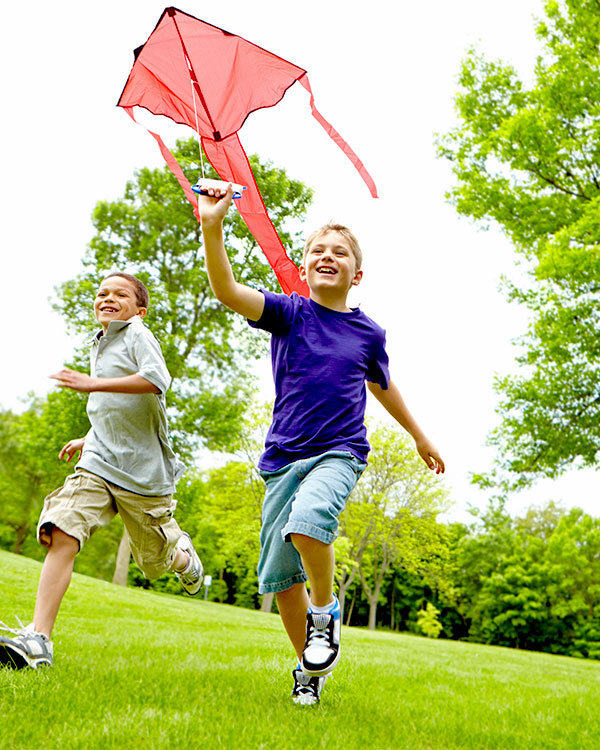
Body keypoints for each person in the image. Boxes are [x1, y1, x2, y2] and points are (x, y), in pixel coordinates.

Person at [197, 184, 445, 705]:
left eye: (340, 253)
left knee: (309, 521)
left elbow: (382, 385)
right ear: (304, 267)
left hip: (340, 451)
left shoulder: (368, 334)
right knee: (280, 577)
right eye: (317, 251)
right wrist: (213, 224)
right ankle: (307, 672)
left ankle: (324, 612)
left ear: (357, 275)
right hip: (283, 456)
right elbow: (226, 290)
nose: (327, 257)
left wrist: (419, 435)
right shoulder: (288, 313)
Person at [0, 272, 203, 670]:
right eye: (102, 293)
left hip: (143, 476)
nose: (108, 298)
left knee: (155, 563)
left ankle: (183, 556)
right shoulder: (101, 342)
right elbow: (114, 406)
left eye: (120, 294)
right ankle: (39, 640)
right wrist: (88, 437)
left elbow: (157, 380)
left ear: (138, 309)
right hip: (98, 461)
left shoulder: (137, 334)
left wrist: (91, 384)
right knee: (61, 529)